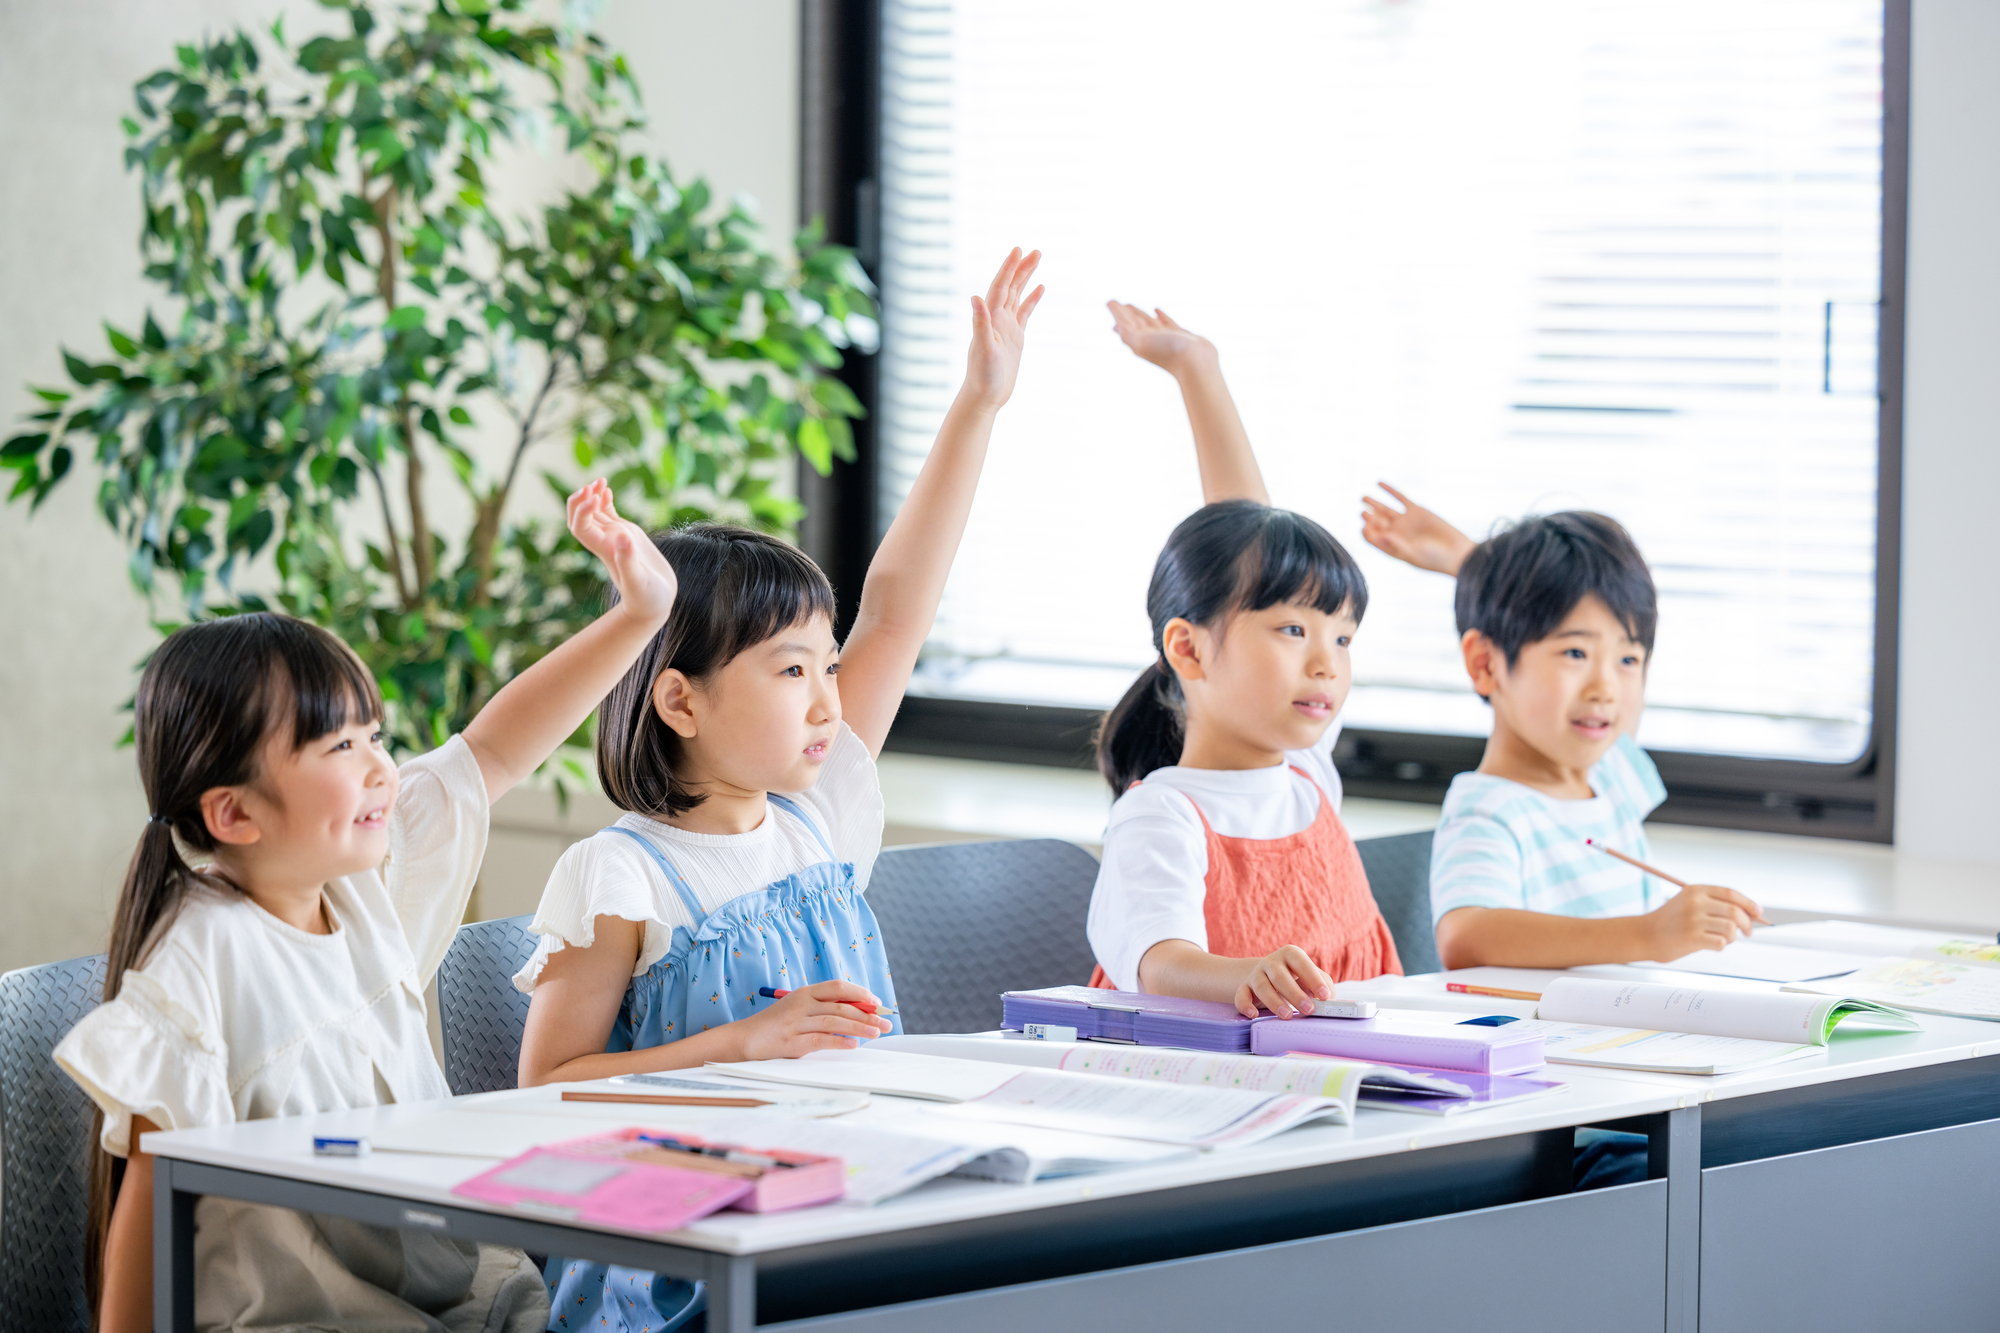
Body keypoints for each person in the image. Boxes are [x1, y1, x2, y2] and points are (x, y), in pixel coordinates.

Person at [512, 249, 1043, 1331]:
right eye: (789, 669)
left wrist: (979, 403)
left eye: (826, 666)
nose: (825, 698)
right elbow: (545, 1089)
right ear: (679, 700)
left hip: (838, 1214)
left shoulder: (821, 822)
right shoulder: (619, 872)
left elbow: (895, 608)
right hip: (676, 1265)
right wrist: (737, 1044)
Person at [55, 480, 678, 1333]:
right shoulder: (203, 960)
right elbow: (145, 1215)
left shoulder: (357, 886)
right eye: (340, 745)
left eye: (375, 736)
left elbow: (492, 748)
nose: (381, 767)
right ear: (233, 812)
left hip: (464, 1304)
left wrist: (643, 611)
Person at [1085, 303, 1401, 1019]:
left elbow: (1247, 541)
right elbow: (1160, 962)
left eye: (1343, 638)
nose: (1326, 661)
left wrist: (1200, 368)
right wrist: (1241, 977)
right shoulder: (1162, 815)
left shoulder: (1307, 779)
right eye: (1293, 630)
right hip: (1204, 1085)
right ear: (1188, 648)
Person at [1357, 490, 1766, 971]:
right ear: (1484, 663)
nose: (1606, 688)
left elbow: (1555, 614)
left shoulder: (1608, 770)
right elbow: (1467, 937)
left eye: (1629, 659)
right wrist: (1649, 934)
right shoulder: (1488, 812)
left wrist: (1468, 561)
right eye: (1576, 654)